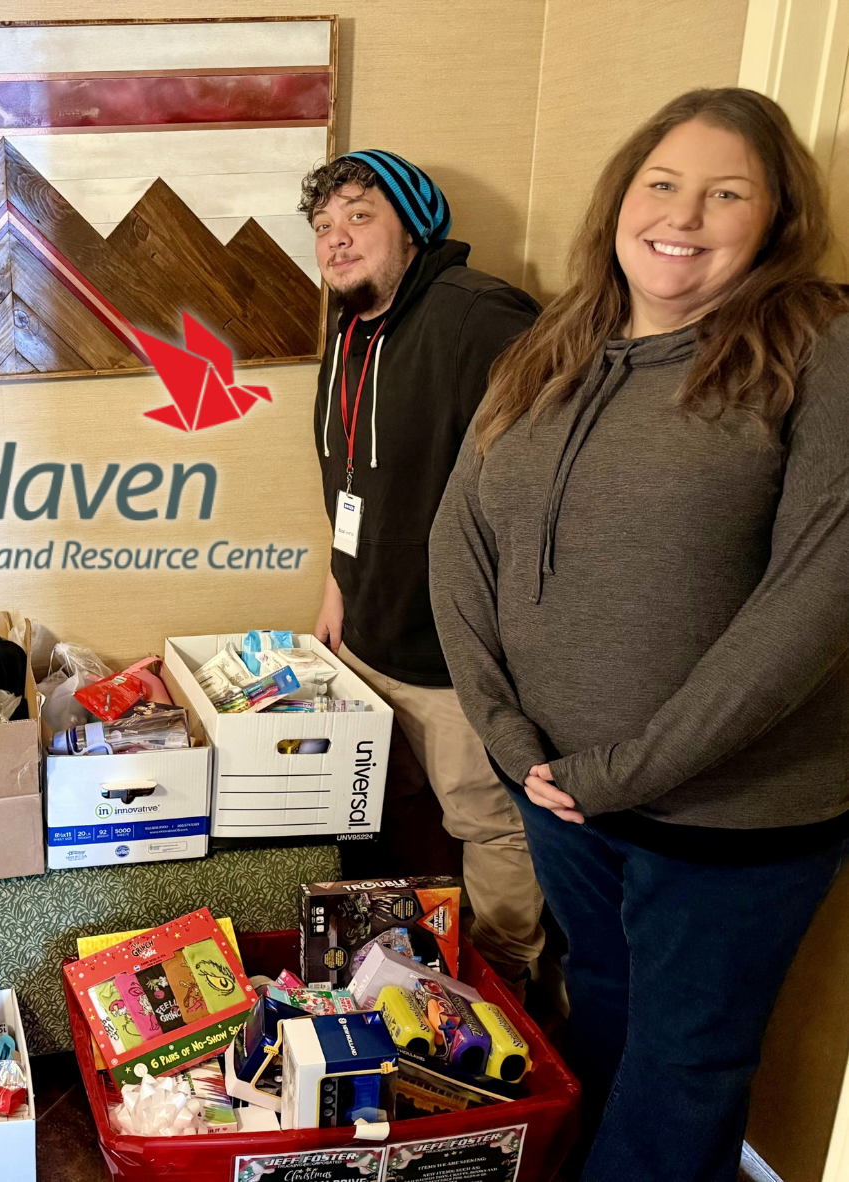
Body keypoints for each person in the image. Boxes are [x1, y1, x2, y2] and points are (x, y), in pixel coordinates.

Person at [429, 88, 849, 1180]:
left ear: (778, 220)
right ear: (621, 196)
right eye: (662, 183)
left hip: (726, 814)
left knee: (683, 1066)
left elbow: (819, 599)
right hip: (564, 793)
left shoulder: (822, 347)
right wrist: (508, 737)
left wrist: (631, 769)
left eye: (727, 194)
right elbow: (459, 538)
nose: (684, 215)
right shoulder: (557, 341)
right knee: (603, 1006)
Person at [303, 149, 544, 988]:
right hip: (369, 630)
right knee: (393, 811)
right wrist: (337, 583)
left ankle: (507, 985)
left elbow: (547, 485)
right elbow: (352, 477)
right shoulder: (352, 327)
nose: (337, 239)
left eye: (359, 216)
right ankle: (416, 972)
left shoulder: (479, 317)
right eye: (324, 226)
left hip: (454, 655)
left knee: (489, 824)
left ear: (414, 227)